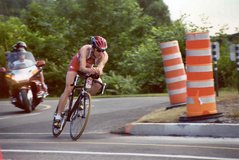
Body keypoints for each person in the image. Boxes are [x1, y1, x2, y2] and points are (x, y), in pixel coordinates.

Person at [54, 36, 108, 126]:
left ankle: (83, 99)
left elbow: (100, 68)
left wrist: (97, 70)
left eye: (103, 50)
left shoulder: (104, 56)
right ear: (93, 48)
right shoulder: (85, 49)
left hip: (89, 69)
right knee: (68, 89)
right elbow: (82, 67)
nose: (100, 53)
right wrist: (92, 70)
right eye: (98, 50)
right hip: (76, 66)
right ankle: (58, 116)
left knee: (99, 85)